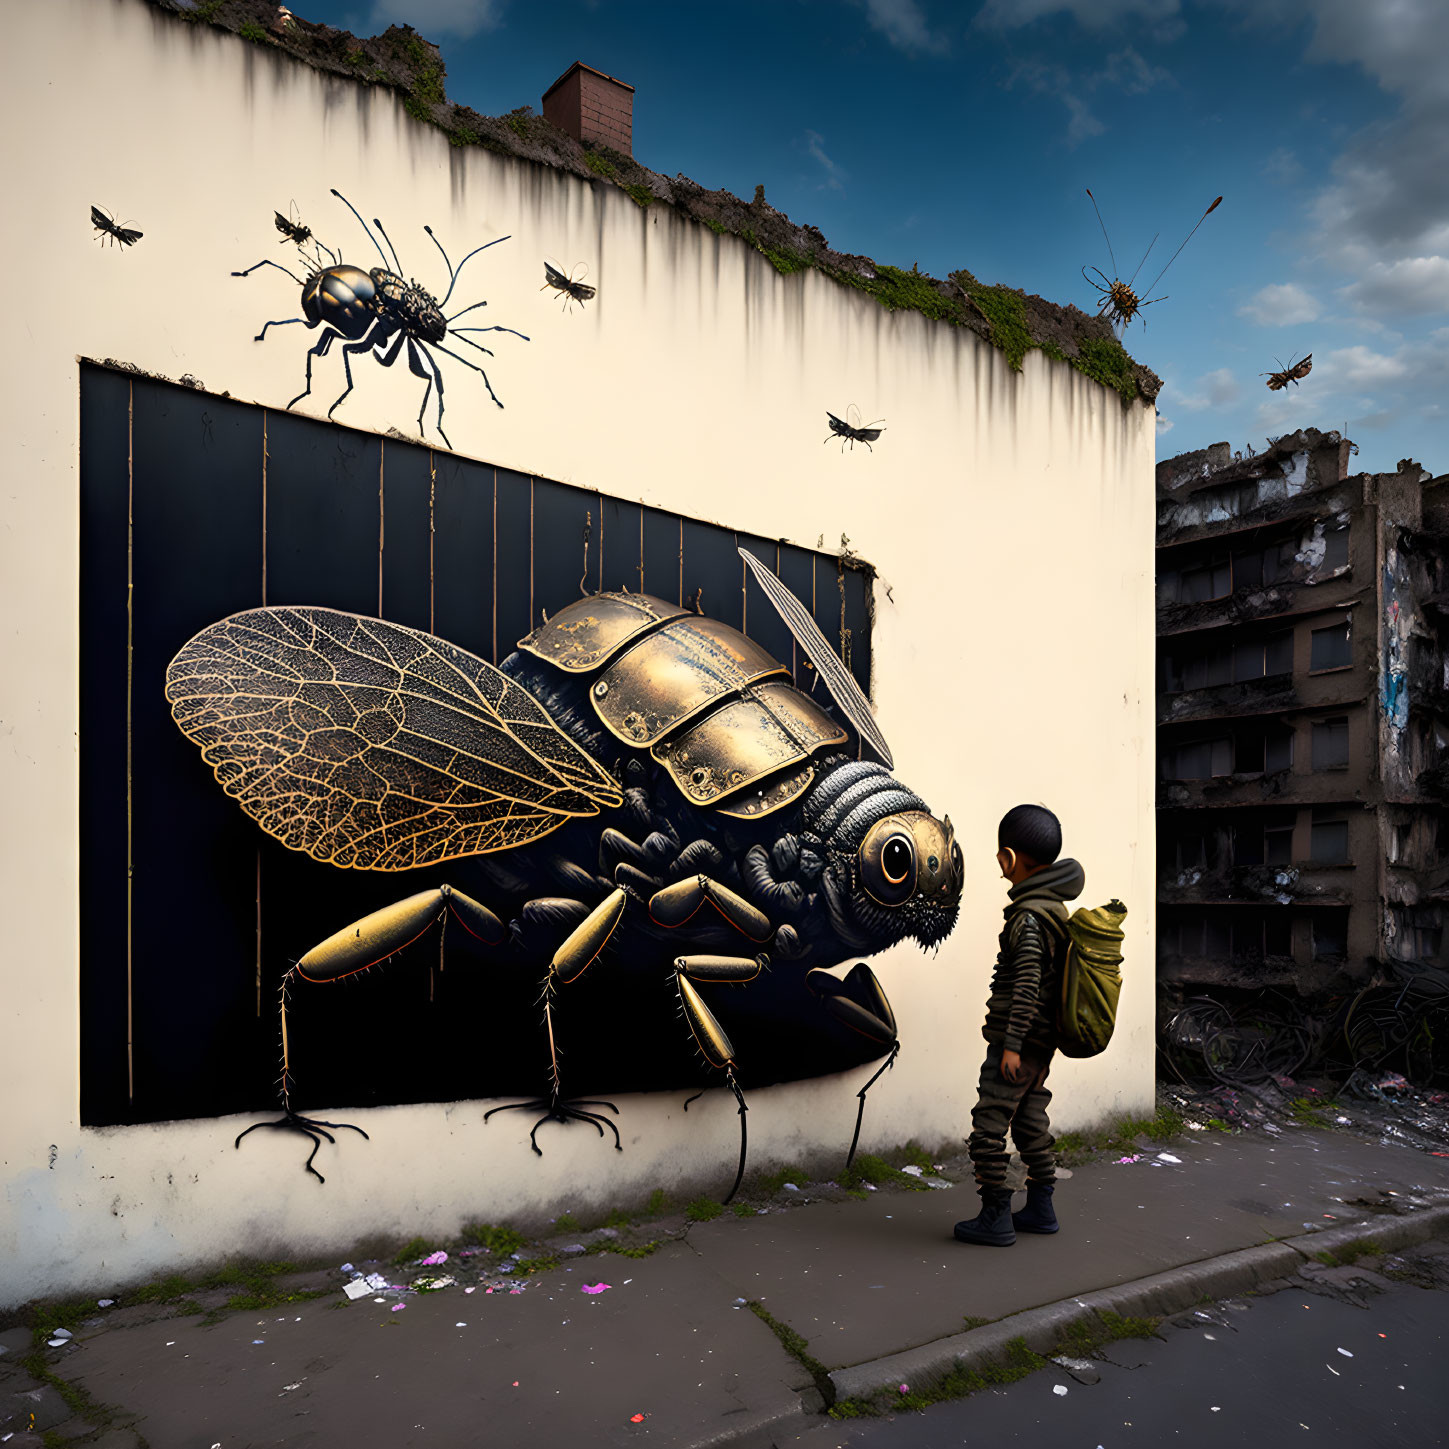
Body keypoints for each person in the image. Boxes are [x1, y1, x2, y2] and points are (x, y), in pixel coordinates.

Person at [954, 804, 1084, 1247]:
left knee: (988, 1126)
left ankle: (996, 1216)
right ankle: (1041, 1208)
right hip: (1040, 1043)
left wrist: (1011, 1045)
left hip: (1019, 1043)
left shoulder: (1028, 918)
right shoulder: (1055, 910)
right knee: (1030, 1121)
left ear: (1008, 858)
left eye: (999, 855)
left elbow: (1027, 984)